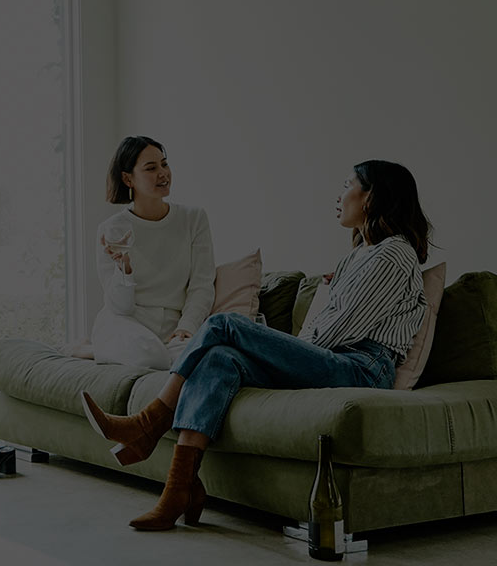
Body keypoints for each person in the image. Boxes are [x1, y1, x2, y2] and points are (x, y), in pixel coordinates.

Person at [80, 159, 432, 531]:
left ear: (372, 196)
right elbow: (327, 332)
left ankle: (148, 423)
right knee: (219, 356)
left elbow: (338, 332)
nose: (339, 195)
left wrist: (280, 347)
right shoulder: (357, 255)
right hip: (334, 358)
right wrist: (282, 349)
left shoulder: (394, 253)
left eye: (347, 184)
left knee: (224, 324)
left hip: (360, 368)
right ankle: (179, 488)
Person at [70, 136, 215, 372]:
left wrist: (186, 327)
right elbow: (121, 307)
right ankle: (91, 349)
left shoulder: (194, 219)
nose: (163, 173)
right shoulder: (113, 229)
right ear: (128, 178)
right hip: (126, 324)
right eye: (151, 168)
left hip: (173, 330)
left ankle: (98, 349)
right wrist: (124, 268)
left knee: (206, 360)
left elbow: (202, 283)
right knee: (152, 358)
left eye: (164, 164)